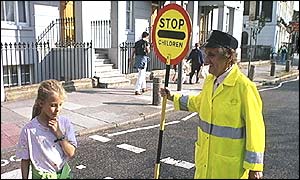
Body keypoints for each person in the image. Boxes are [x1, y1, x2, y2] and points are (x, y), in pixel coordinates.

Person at [160, 30, 265, 179]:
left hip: (229, 170)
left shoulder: (245, 88)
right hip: (205, 164)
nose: (206, 60)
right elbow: (199, 103)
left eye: (212, 55)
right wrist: (172, 97)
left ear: (228, 56)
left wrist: (254, 168)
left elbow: (256, 130)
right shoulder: (210, 81)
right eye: (206, 54)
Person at [16, 79, 77, 179]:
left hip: (63, 174)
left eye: (60, 104)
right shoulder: (29, 130)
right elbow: (25, 160)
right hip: (41, 176)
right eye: (53, 105)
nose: (57, 109)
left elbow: (71, 153)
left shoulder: (65, 123)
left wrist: (58, 133)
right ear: (41, 103)